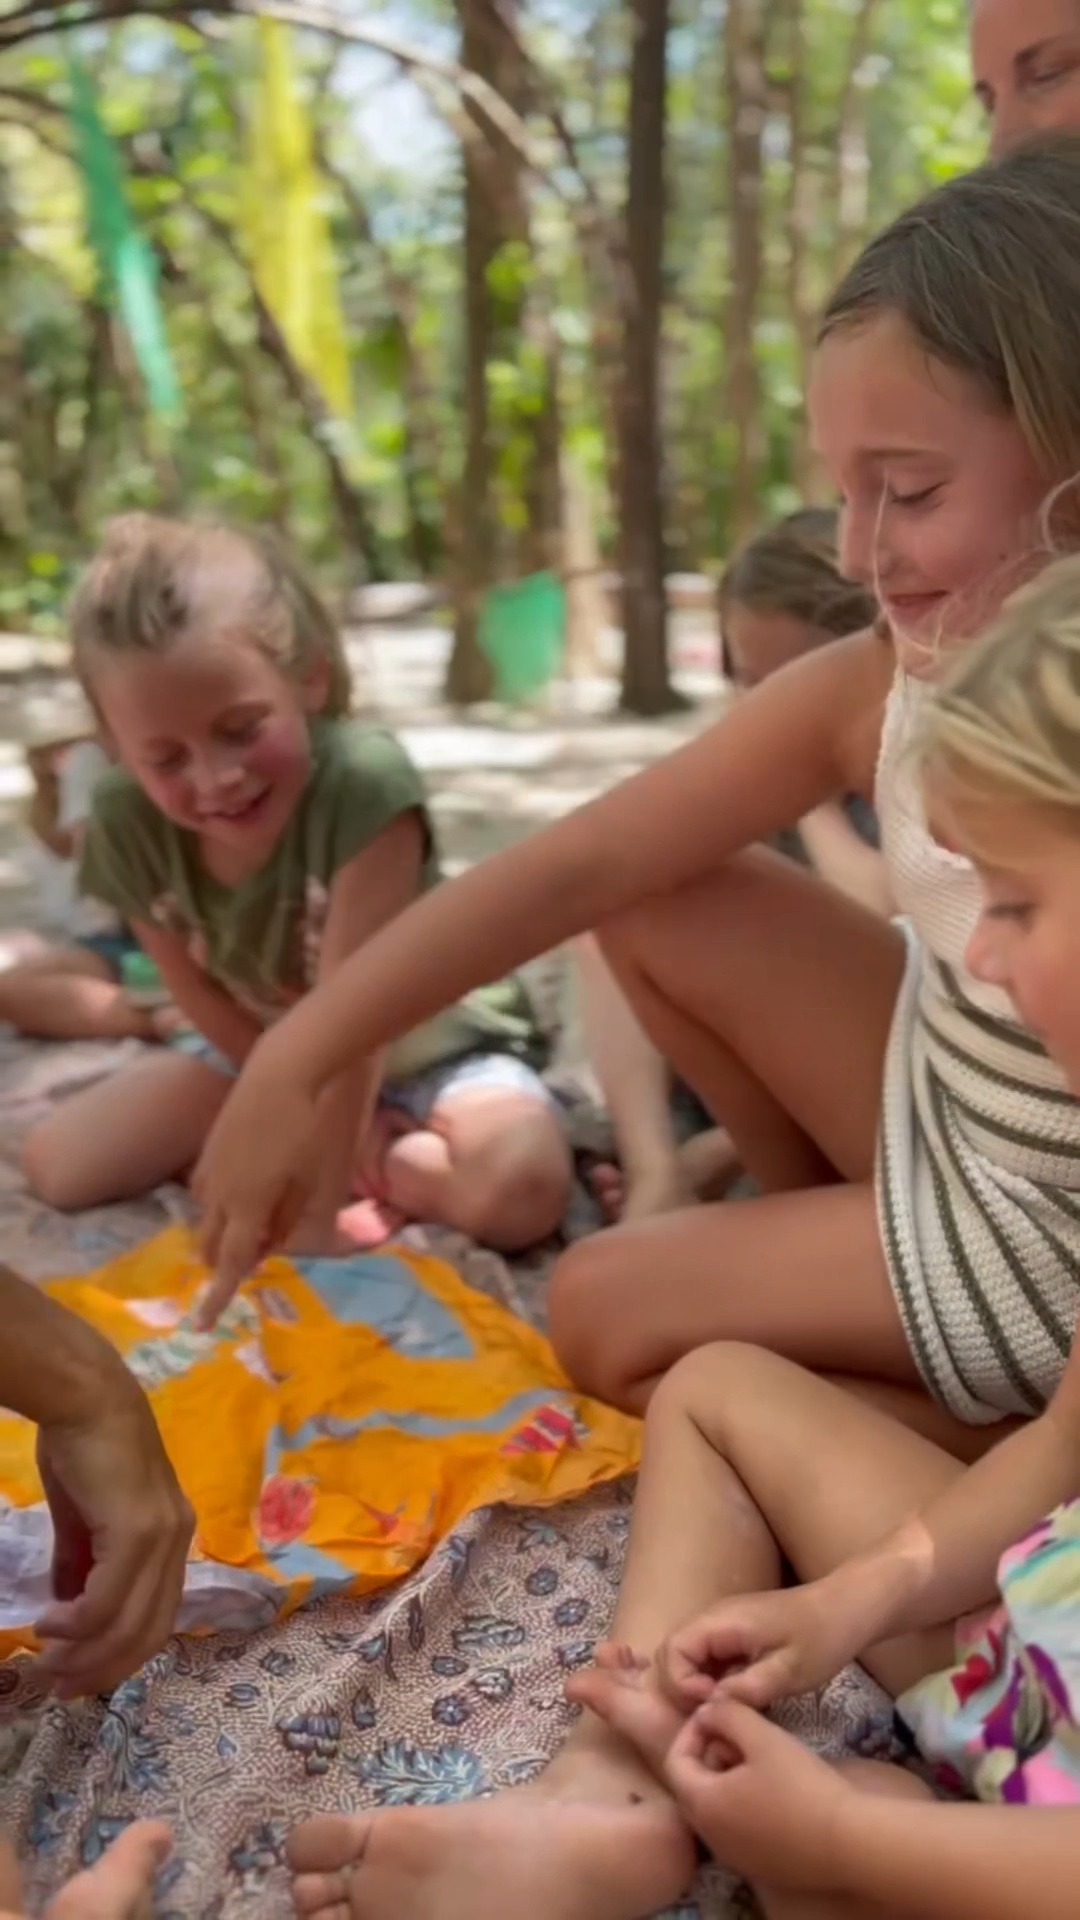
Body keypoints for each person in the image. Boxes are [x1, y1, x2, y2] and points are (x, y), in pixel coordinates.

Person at [195, 139, 1080, 1449]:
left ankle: (942, 1447)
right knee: (672, 897)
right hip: (941, 1114)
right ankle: (837, 1299)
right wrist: (298, 1051)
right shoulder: (886, 673)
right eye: (844, 495)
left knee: (597, 1306)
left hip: (1041, 1229)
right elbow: (578, 865)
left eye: (910, 492)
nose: (859, 555)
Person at [282, 552, 1080, 1920]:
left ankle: (857, 1844)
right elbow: (1065, 1448)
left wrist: (838, 1837)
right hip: (1031, 1651)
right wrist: (852, 1600)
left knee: (830, 1875)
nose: (981, 960)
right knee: (715, 1386)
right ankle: (615, 1787)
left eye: (1012, 905)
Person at [20, 516, 570, 1258]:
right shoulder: (123, 819)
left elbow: (360, 1013)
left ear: (308, 675)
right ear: (115, 746)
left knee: (519, 1191)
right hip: (264, 1054)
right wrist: (274, 1104)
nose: (216, 778)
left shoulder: (363, 784)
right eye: (166, 759)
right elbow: (198, 996)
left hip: (432, 1052)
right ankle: (356, 1159)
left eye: (241, 729)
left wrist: (317, 1207)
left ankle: (358, 1162)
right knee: (62, 1165)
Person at [579, 508, 886, 1224]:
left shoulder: (891, 777)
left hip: (846, 1072)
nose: (770, 710)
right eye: (753, 684)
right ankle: (653, 1170)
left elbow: (883, 915)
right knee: (619, 907)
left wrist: (808, 783)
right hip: (724, 1069)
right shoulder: (738, 776)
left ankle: (713, 1161)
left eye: (795, 684)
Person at [0, 730, 166, 1045]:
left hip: (150, 936)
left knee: (19, 994)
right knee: (12, 990)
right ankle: (176, 1015)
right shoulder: (94, 758)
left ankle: (178, 1018)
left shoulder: (94, 765)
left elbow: (87, 855)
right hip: (123, 937)